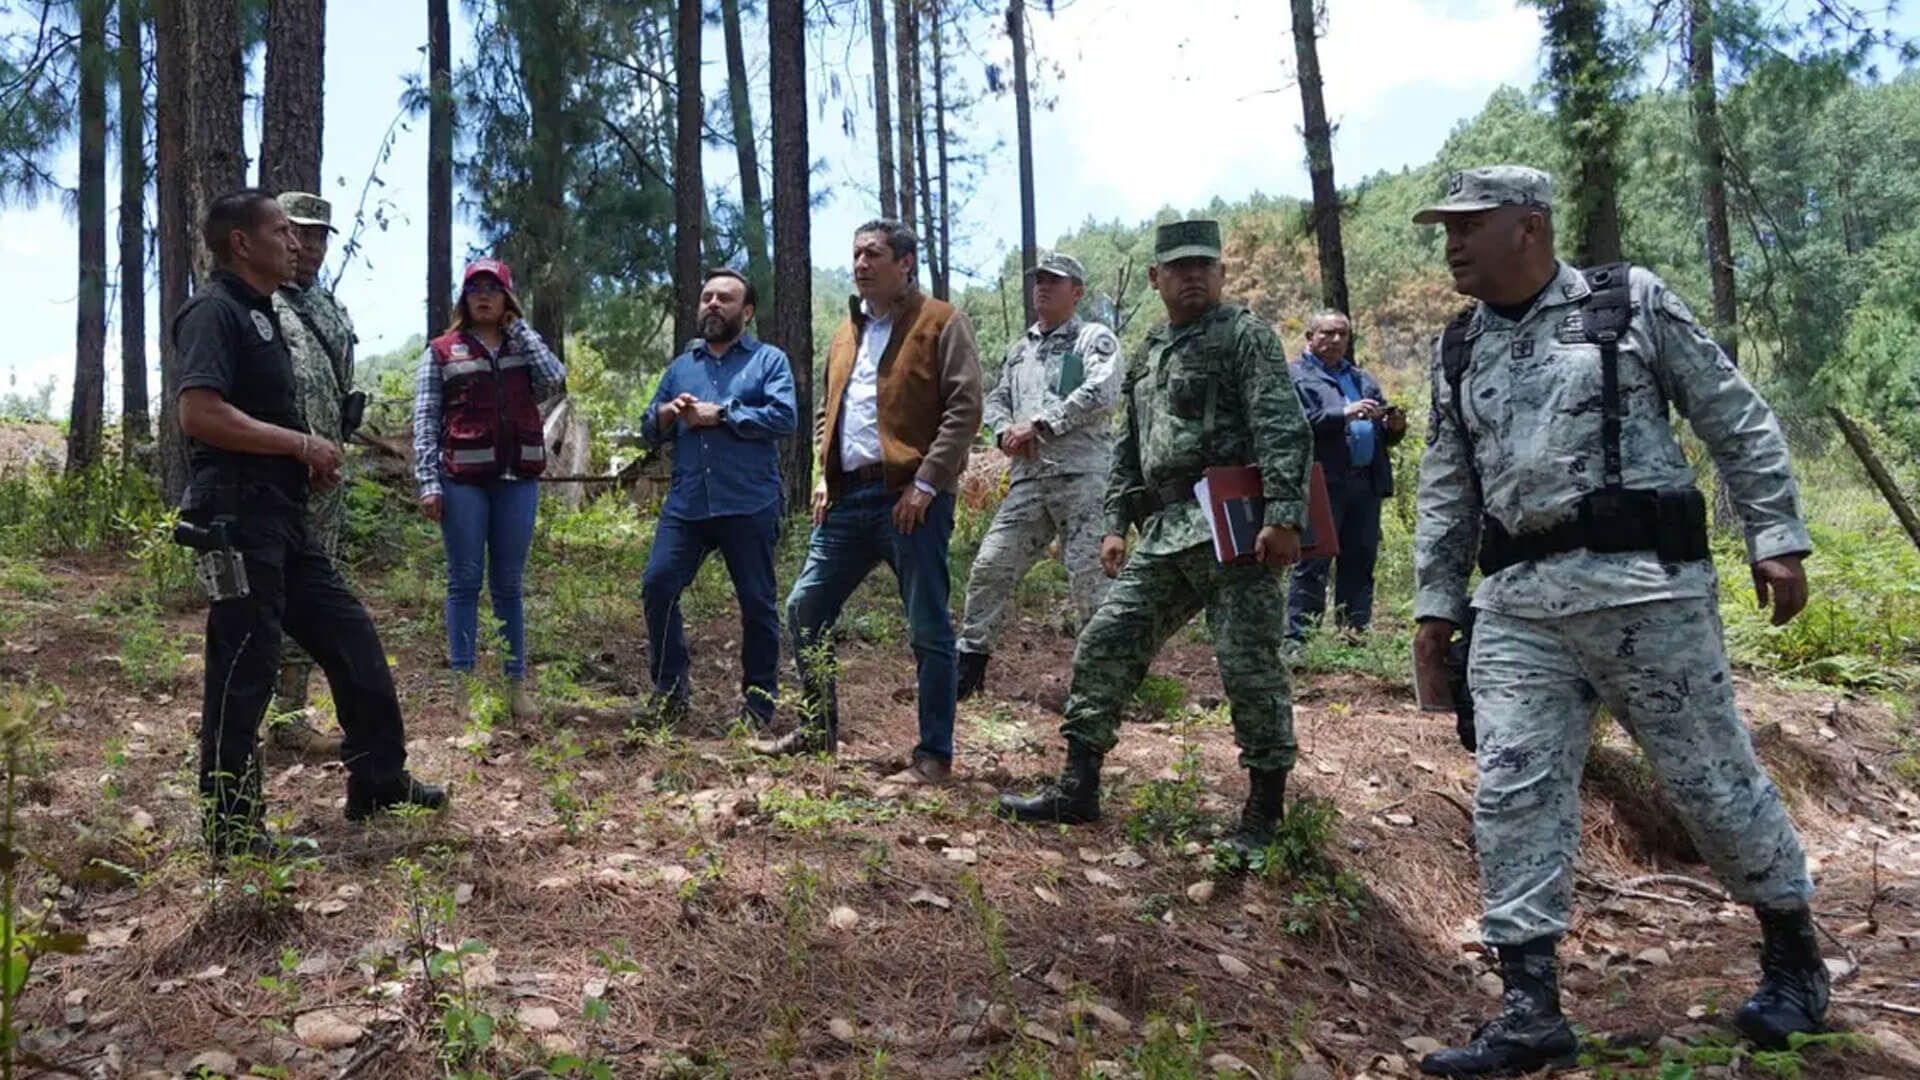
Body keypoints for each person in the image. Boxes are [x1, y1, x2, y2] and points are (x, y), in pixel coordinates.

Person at [1408, 166, 1824, 1076]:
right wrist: (1435, 606)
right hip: (1517, 608)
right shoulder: (1456, 348)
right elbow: (1446, 486)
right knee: (1512, 791)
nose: (1453, 243)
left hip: (1646, 594)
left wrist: (1775, 535)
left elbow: (1735, 416)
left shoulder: (1625, 301)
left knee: (1710, 780)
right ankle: (1529, 1008)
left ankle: (1793, 958)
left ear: (1529, 225)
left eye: (1470, 225)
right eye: (1445, 228)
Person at [999, 220, 1312, 857]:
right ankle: (1078, 786)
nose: (1193, 276)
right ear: (1155, 277)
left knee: (1249, 665)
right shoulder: (1149, 350)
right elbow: (1130, 445)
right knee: (1107, 640)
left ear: (1222, 273)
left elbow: (1282, 425)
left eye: (1205, 266)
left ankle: (1265, 813)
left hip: (1237, 523)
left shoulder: (1244, 336)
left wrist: (1285, 513)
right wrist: (1116, 523)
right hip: (1170, 528)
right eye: (1178, 267)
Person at [175, 189, 444, 856]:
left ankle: (379, 781)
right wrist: (297, 445)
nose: (296, 242)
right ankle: (233, 833)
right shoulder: (215, 312)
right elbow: (199, 414)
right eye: (280, 231)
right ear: (242, 242)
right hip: (237, 519)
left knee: (352, 642)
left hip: (284, 518)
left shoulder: (264, 313)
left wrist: (307, 456)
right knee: (246, 669)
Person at [760, 219, 983, 785]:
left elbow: (964, 409)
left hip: (911, 498)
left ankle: (934, 755)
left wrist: (928, 482)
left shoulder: (941, 322)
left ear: (904, 262)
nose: (861, 263)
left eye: (873, 254)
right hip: (846, 501)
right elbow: (826, 415)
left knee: (928, 625)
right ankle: (816, 728)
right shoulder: (845, 333)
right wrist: (820, 475)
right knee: (804, 608)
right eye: (856, 253)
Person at [956, 251, 1124, 699]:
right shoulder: (1020, 350)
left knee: (1091, 580)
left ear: (1077, 292)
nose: (1043, 288)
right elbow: (995, 401)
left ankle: (1099, 687)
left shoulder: (1093, 339)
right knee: (991, 566)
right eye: (1039, 281)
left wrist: (1043, 423)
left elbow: (1103, 390)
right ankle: (968, 672)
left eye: (1055, 281)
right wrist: (1001, 432)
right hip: (1028, 481)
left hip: (1082, 477)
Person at [638, 269, 797, 728]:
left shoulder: (769, 361)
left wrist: (723, 413)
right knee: (658, 585)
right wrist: (668, 412)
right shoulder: (682, 367)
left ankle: (759, 705)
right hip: (687, 504)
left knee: (757, 603)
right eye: (706, 296)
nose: (712, 304)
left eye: (724, 299)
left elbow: (785, 417)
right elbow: (648, 427)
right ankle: (670, 693)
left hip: (748, 502)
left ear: (746, 311)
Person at [412, 258, 567, 723]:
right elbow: (424, 422)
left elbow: (554, 378)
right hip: (462, 482)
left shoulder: (523, 349)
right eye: (475, 288)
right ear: (464, 297)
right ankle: (464, 688)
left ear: (507, 298)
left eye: (493, 289)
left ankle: (515, 685)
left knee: (508, 586)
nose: (483, 296)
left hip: (516, 481)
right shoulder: (441, 351)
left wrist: (521, 331)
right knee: (463, 582)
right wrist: (428, 482)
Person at [266, 191, 357, 759]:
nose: (311, 246)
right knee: (258, 595)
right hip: (269, 476)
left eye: (322, 236)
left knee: (312, 595)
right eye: (300, 233)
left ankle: (290, 716)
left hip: (324, 477)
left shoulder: (330, 309)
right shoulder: (255, 302)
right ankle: (241, 711)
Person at [1284, 310, 1407, 642]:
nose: (1336, 340)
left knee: (1360, 558)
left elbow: (1382, 431)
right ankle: (1299, 639)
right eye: (1327, 333)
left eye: (1342, 334)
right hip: (1322, 481)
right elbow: (1294, 426)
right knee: (1314, 559)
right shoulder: (1294, 377)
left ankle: (1353, 632)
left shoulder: (1361, 378)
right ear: (1309, 337)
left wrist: (1393, 427)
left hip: (1365, 480)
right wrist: (1343, 414)